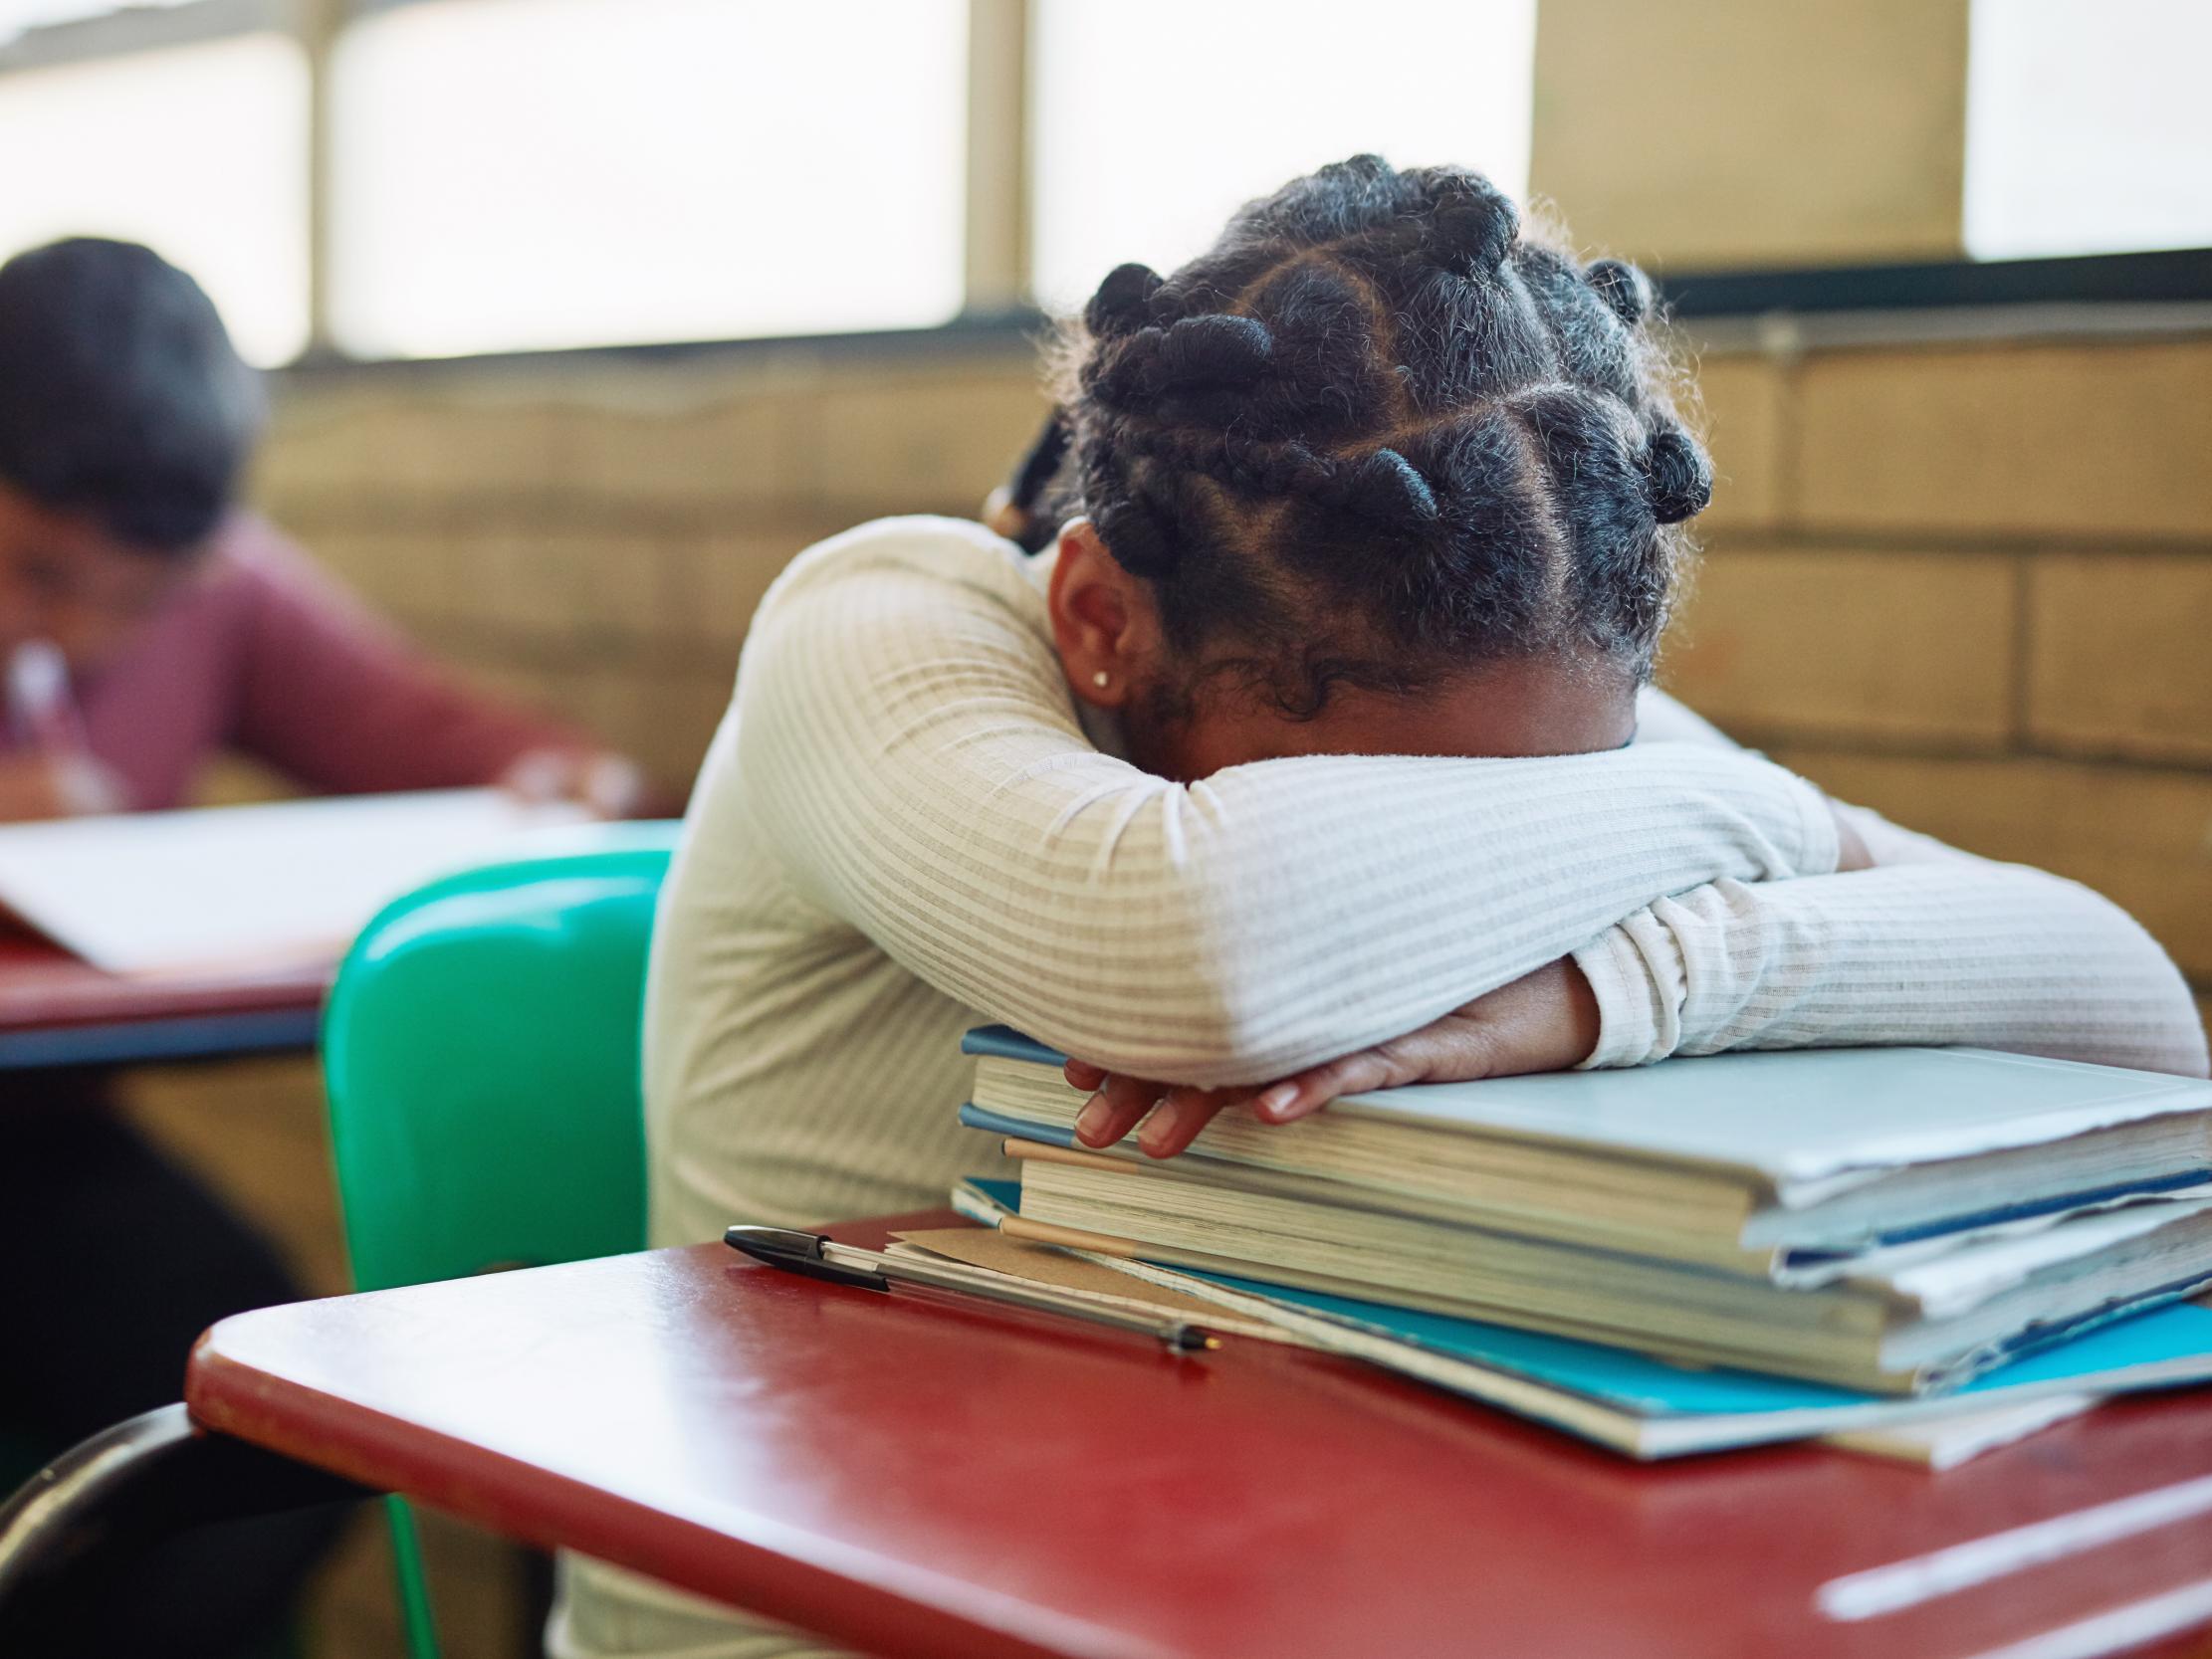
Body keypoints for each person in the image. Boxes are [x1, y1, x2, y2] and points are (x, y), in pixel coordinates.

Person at [552, 157, 2208, 1659]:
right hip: (813, 1616)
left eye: (1566, 799)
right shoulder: (880, 620)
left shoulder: (1519, 676)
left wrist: (1626, 979)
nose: (1501, 848)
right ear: (1101, 620)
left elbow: (2129, 1013)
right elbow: (1199, 954)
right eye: (1382, 823)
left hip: (1268, 1556)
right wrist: (1756, 814)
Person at [0, 236, 646, 1658]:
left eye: (141, 600)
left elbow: (461, 741)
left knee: (274, 1419)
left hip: (33, 1153)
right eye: (40, 571)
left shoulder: (223, 586)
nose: (83, 639)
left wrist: (554, 781)